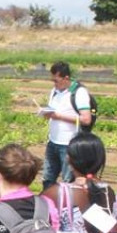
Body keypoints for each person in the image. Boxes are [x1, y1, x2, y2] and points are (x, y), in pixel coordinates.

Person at [40, 61, 93, 189]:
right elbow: (53, 111)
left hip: (69, 145)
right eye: (52, 80)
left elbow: (86, 119)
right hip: (53, 142)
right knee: (47, 179)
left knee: (68, 181)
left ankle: (65, 207)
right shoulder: (55, 91)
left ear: (66, 78)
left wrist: (58, 116)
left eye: (56, 80)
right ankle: (48, 205)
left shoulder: (79, 93)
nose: (54, 84)